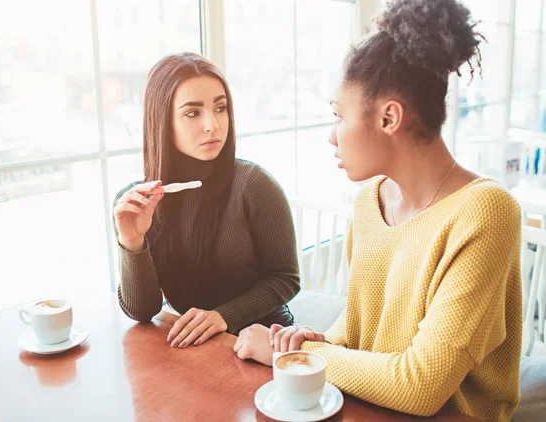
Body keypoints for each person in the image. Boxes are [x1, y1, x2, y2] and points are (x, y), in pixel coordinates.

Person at [234, 1, 522, 421]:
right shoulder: (370, 201)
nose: (332, 137)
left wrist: (298, 357)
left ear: (389, 117)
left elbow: (420, 385)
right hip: (368, 407)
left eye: (338, 116)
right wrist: (317, 340)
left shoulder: (487, 212)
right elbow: (361, 326)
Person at [113, 53, 300, 348]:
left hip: (266, 343)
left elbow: (285, 278)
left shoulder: (254, 184)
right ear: (161, 120)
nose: (212, 124)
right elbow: (142, 311)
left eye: (220, 108)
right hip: (197, 347)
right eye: (192, 113)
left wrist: (222, 317)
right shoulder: (140, 201)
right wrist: (132, 242)